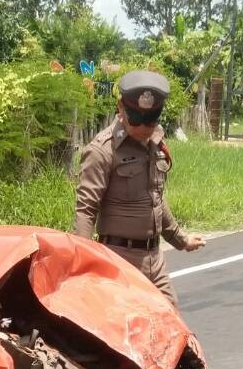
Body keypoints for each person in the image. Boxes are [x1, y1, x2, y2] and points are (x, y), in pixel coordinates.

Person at [74, 70, 205, 302]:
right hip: (120, 259)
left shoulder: (154, 143)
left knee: (172, 328)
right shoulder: (102, 150)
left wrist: (180, 239)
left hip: (155, 257)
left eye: (151, 119)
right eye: (137, 118)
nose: (144, 127)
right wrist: (85, 265)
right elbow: (86, 210)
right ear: (121, 108)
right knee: (125, 330)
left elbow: (156, 197)